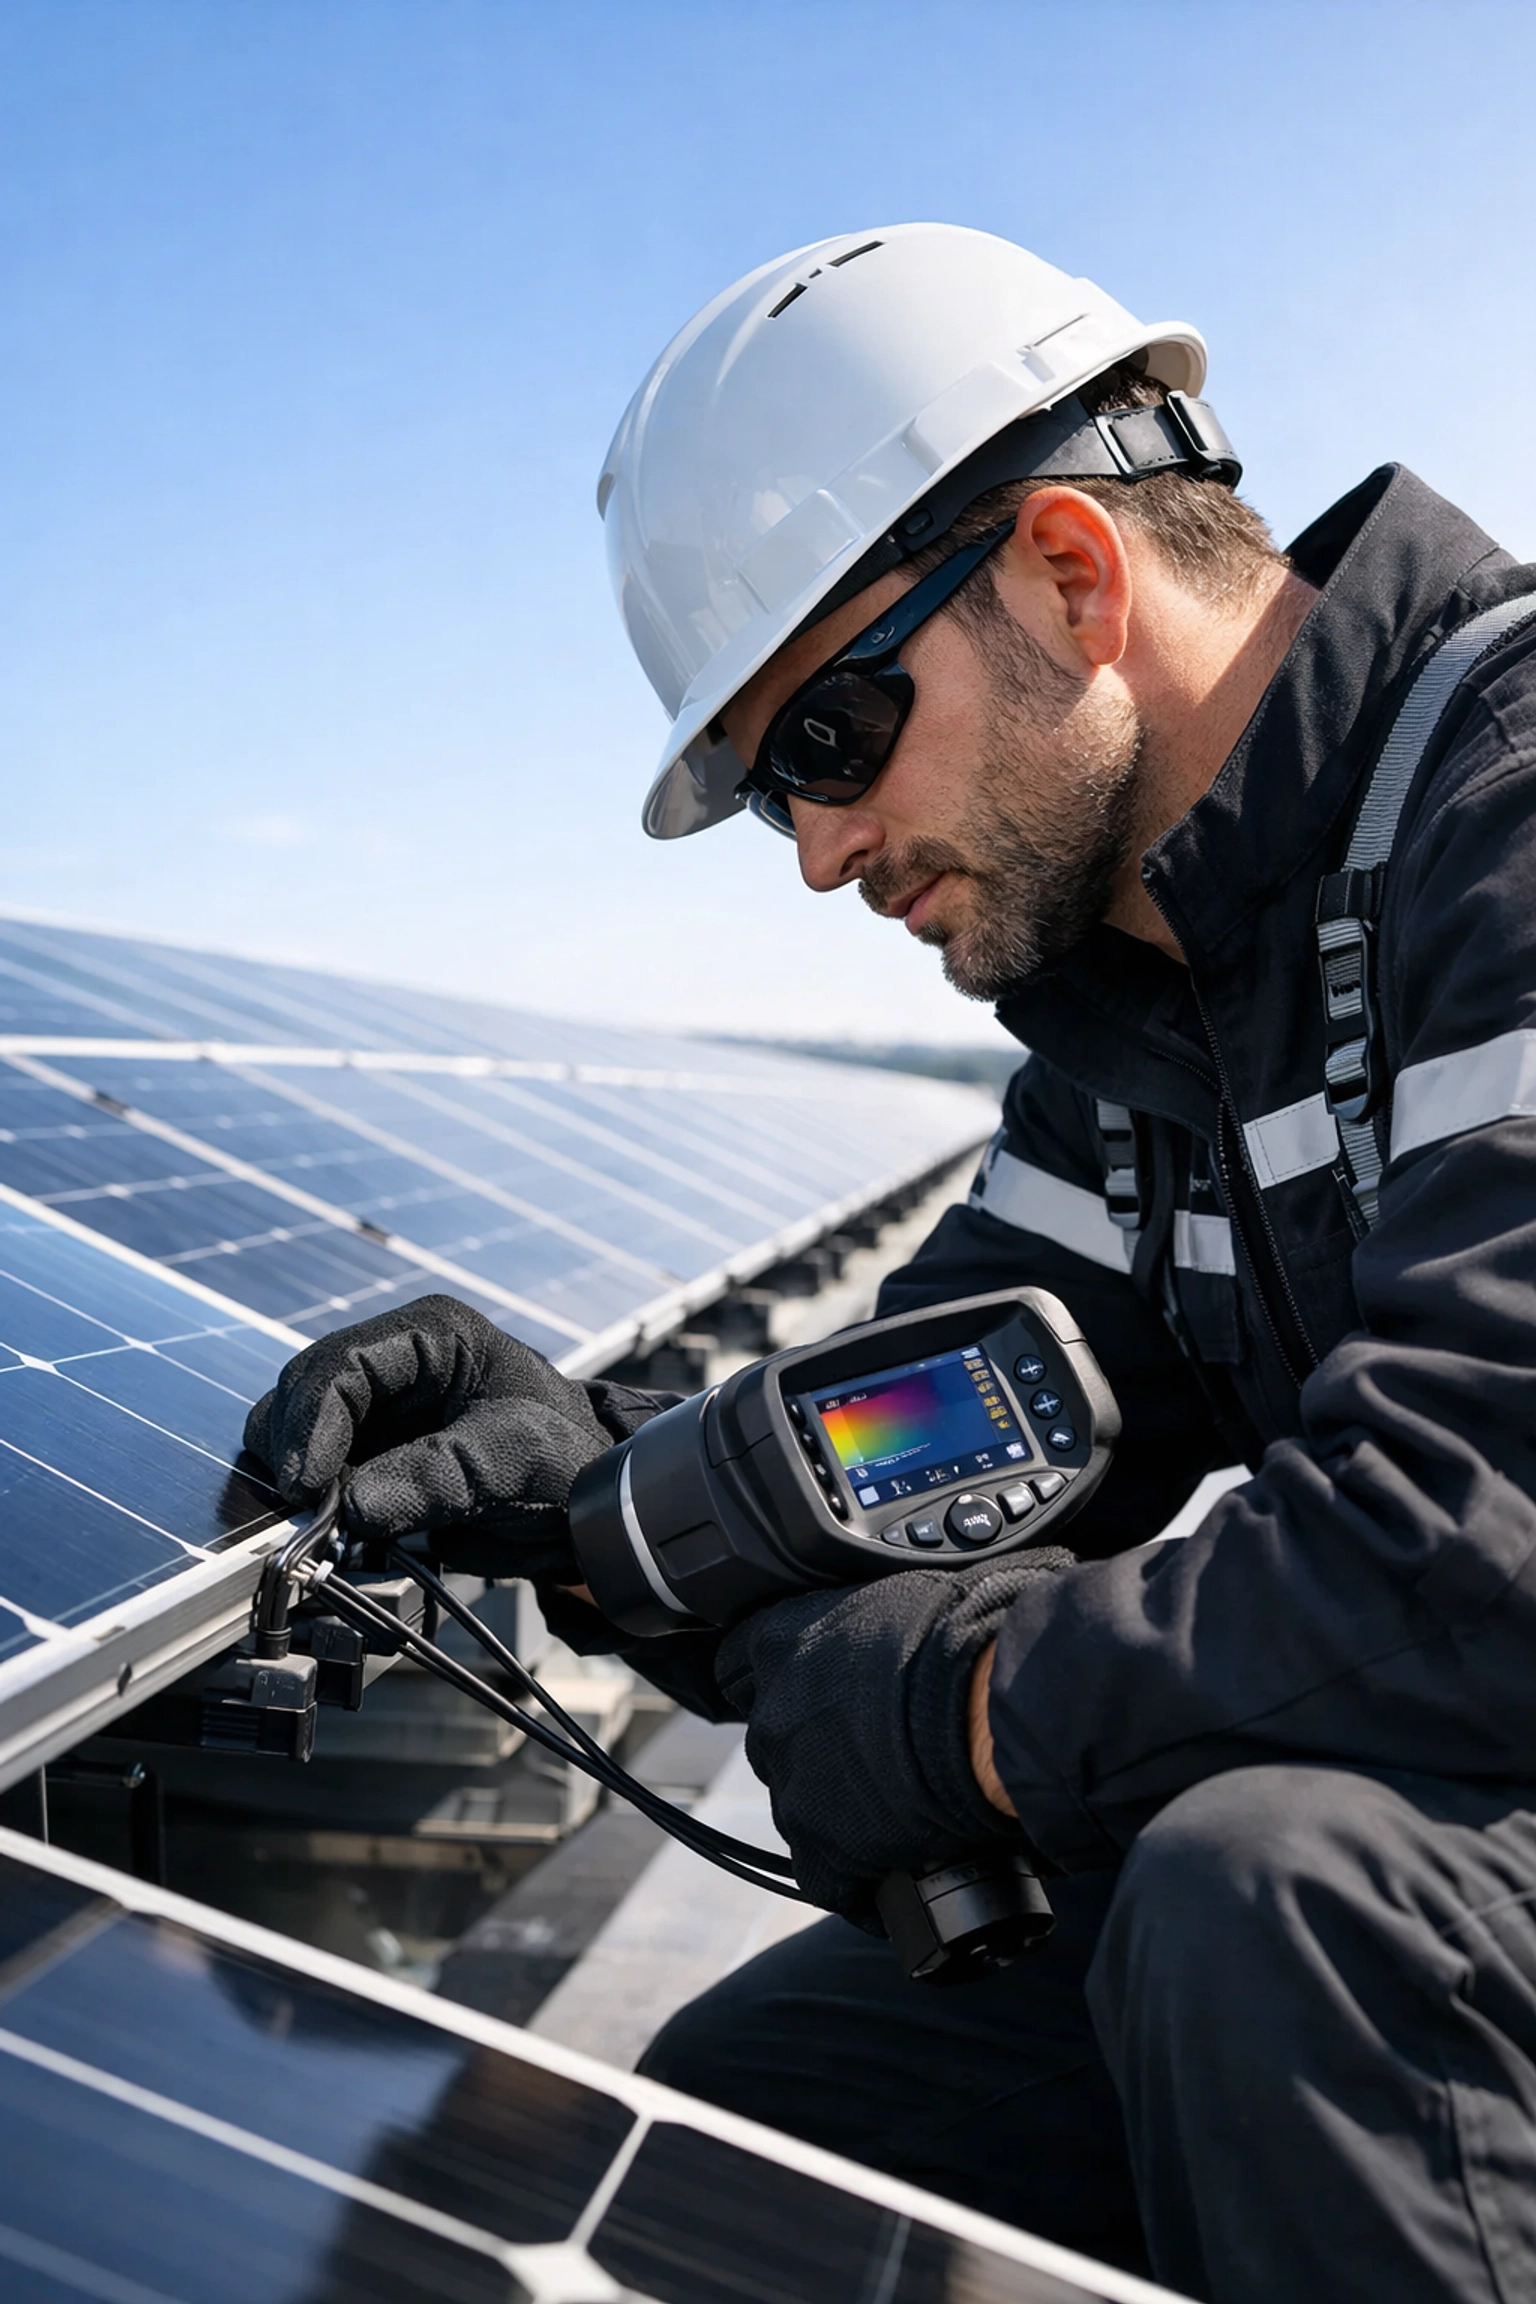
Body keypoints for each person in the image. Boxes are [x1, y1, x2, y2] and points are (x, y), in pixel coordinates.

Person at [246, 226, 1536, 2304]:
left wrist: (987, 1718)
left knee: (1269, 1897)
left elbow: (1485, 1543)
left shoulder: (1510, 808)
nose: (825, 852)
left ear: (1070, 573)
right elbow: (905, 1477)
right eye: (774, 803)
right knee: (772, 2110)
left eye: (832, 741)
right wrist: (597, 1497)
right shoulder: (1148, 1025)